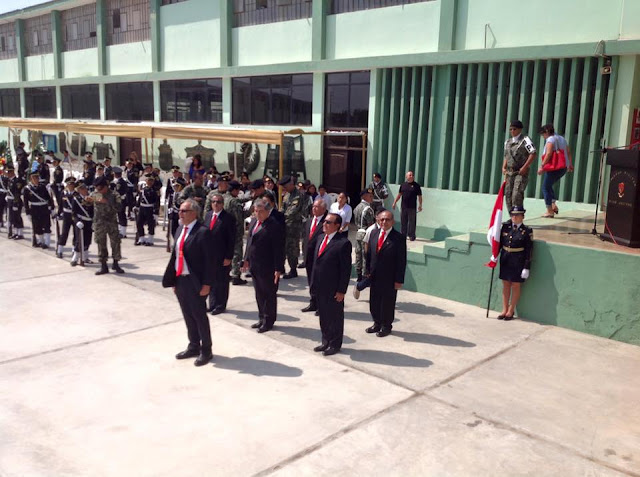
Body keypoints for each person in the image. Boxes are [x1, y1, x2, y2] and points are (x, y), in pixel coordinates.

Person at [162, 198, 215, 367]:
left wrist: (207, 284)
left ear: (194, 213)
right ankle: (193, 345)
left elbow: (210, 261)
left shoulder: (203, 232)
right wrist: (173, 280)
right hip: (180, 280)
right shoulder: (180, 229)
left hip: (196, 281)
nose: (180, 213)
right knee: (187, 314)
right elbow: (175, 256)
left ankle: (206, 350)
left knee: (199, 316)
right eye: (180, 210)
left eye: (184, 211)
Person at [310, 213, 352, 356]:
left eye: (328, 222)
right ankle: (325, 341)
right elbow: (316, 262)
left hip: (333, 288)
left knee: (334, 317)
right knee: (323, 316)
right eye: (324, 221)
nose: (324, 224)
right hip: (319, 286)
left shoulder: (343, 243)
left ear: (337, 225)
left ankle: (335, 344)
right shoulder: (321, 238)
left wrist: (341, 290)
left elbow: (345, 270)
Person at [243, 199, 285, 333]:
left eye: (261, 211)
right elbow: (249, 242)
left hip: (268, 266)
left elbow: (278, 249)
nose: (258, 214)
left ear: (267, 211)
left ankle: (268, 320)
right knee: (259, 294)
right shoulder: (254, 222)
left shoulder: (274, 226)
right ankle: (261, 317)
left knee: (268, 294)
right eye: (256, 211)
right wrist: (246, 259)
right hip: (255, 264)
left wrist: (278, 268)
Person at [364, 210, 407, 337]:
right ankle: (376, 323)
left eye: (387, 219)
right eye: (382, 219)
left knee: (387, 303)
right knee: (374, 301)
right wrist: (367, 271)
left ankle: (386, 326)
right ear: (378, 220)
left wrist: (399, 280)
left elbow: (401, 260)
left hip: (390, 277)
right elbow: (369, 254)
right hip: (374, 276)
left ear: (392, 222)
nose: (384, 222)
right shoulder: (373, 233)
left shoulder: (398, 238)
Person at [498, 206, 533, 321]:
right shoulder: (506, 227)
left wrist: (527, 267)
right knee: (506, 284)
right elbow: (500, 243)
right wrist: (494, 255)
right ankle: (504, 309)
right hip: (505, 258)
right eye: (512, 215)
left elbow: (529, 250)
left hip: (518, 260)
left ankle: (511, 310)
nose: (514, 217)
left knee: (515, 285)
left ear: (522, 216)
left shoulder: (527, 231)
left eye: (517, 215)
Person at [204, 193, 236, 315]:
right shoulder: (208, 215)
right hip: (209, 255)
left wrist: (228, 257)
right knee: (211, 280)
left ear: (223, 204)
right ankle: (212, 304)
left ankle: (220, 305)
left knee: (221, 281)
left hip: (222, 255)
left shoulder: (228, 218)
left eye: (218, 202)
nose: (216, 204)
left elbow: (231, 239)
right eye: (213, 202)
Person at [87, 175, 125, 275]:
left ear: (106, 186)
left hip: (112, 222)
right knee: (101, 244)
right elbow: (87, 204)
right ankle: (103, 266)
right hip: (99, 223)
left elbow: (119, 208)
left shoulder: (114, 194)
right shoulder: (95, 194)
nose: (99, 191)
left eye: (101, 189)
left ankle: (116, 263)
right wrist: (87, 200)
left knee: (115, 243)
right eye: (97, 189)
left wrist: (107, 202)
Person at [538, 124, 573, 218]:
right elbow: (568, 152)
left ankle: (549, 210)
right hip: (563, 167)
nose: (543, 137)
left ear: (546, 132)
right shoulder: (562, 139)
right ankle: (553, 204)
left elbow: (549, 153)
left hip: (554, 167)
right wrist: (570, 164)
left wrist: (542, 166)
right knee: (549, 185)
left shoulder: (550, 139)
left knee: (545, 187)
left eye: (543, 134)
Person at [502, 120, 537, 211]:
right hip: (510, 172)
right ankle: (512, 215)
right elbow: (506, 155)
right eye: (510, 129)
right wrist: (504, 167)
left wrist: (525, 167)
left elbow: (533, 153)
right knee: (508, 194)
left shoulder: (525, 140)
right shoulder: (508, 142)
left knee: (517, 194)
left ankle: (518, 215)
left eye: (514, 129)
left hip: (520, 171)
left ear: (520, 129)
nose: (512, 131)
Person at [301, 198, 328, 313]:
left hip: (319, 256)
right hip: (308, 256)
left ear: (324, 209)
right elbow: (306, 238)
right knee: (311, 280)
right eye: (313, 207)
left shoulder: (327, 222)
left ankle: (321, 305)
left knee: (320, 281)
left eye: (317, 207)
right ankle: (313, 302)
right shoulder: (309, 221)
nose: (314, 209)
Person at [278, 176, 305, 279]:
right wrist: (278, 215)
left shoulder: (298, 196)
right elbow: (283, 208)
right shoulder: (287, 195)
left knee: (292, 248)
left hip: (294, 227)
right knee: (283, 247)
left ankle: (293, 270)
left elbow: (292, 212)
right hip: (285, 225)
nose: (284, 189)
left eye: (285, 187)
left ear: (291, 184)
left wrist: (280, 216)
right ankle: (281, 267)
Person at [224, 180, 248, 286]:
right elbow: (240, 217)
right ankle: (236, 276)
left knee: (228, 252)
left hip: (226, 230)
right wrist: (251, 211)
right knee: (237, 254)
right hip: (235, 231)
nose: (238, 192)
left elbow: (239, 200)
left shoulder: (225, 197)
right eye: (238, 190)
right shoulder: (234, 202)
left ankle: (228, 273)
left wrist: (250, 198)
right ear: (234, 190)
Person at [23, 171, 54, 249]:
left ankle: (47, 243)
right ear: (31, 179)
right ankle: (41, 241)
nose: (36, 179)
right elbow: (25, 202)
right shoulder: (27, 189)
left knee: (46, 225)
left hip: (44, 208)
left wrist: (51, 208)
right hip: (34, 209)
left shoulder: (42, 186)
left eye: (37, 178)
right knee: (37, 226)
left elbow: (48, 198)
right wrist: (27, 212)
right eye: (34, 178)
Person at [352, 188, 376, 282]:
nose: (372, 198)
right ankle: (364, 276)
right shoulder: (368, 208)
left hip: (358, 232)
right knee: (365, 254)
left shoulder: (357, 207)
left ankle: (358, 274)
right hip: (366, 233)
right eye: (370, 196)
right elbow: (371, 224)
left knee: (358, 254)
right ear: (364, 196)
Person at [392, 171, 422, 241]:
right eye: (410, 175)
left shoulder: (416, 186)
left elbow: (420, 196)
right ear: (406, 177)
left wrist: (420, 205)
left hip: (412, 207)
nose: (411, 176)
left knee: (412, 222)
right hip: (404, 207)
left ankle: (411, 235)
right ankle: (403, 235)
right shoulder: (403, 185)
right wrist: (394, 202)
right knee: (403, 221)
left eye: (412, 175)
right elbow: (399, 195)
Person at [71, 180, 94, 266]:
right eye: (82, 189)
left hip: (89, 221)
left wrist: (93, 221)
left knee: (88, 240)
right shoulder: (76, 199)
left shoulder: (90, 198)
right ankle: (75, 258)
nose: (85, 190)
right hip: (81, 221)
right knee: (79, 240)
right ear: (79, 190)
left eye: (85, 188)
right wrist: (77, 221)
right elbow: (73, 213)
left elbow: (92, 211)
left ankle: (85, 257)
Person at [55, 177, 77, 259]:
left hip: (74, 215)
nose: (71, 186)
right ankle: (60, 250)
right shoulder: (63, 193)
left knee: (76, 233)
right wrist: (58, 214)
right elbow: (60, 205)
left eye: (72, 184)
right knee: (64, 233)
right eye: (69, 184)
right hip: (66, 215)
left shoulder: (76, 194)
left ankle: (74, 250)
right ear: (67, 185)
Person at [135, 174, 160, 246]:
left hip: (150, 208)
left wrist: (155, 212)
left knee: (150, 224)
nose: (150, 182)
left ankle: (150, 240)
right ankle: (141, 238)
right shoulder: (143, 189)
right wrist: (137, 206)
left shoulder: (155, 191)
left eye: (151, 181)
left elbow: (156, 202)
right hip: (142, 208)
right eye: (149, 180)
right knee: (139, 223)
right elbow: (140, 198)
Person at [6, 167, 25, 239]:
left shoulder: (17, 181)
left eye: (9, 172)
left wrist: (15, 203)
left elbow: (17, 193)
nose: (7, 174)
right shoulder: (10, 181)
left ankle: (20, 233)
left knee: (17, 217)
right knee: (13, 218)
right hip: (10, 201)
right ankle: (16, 232)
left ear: (12, 172)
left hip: (16, 202)